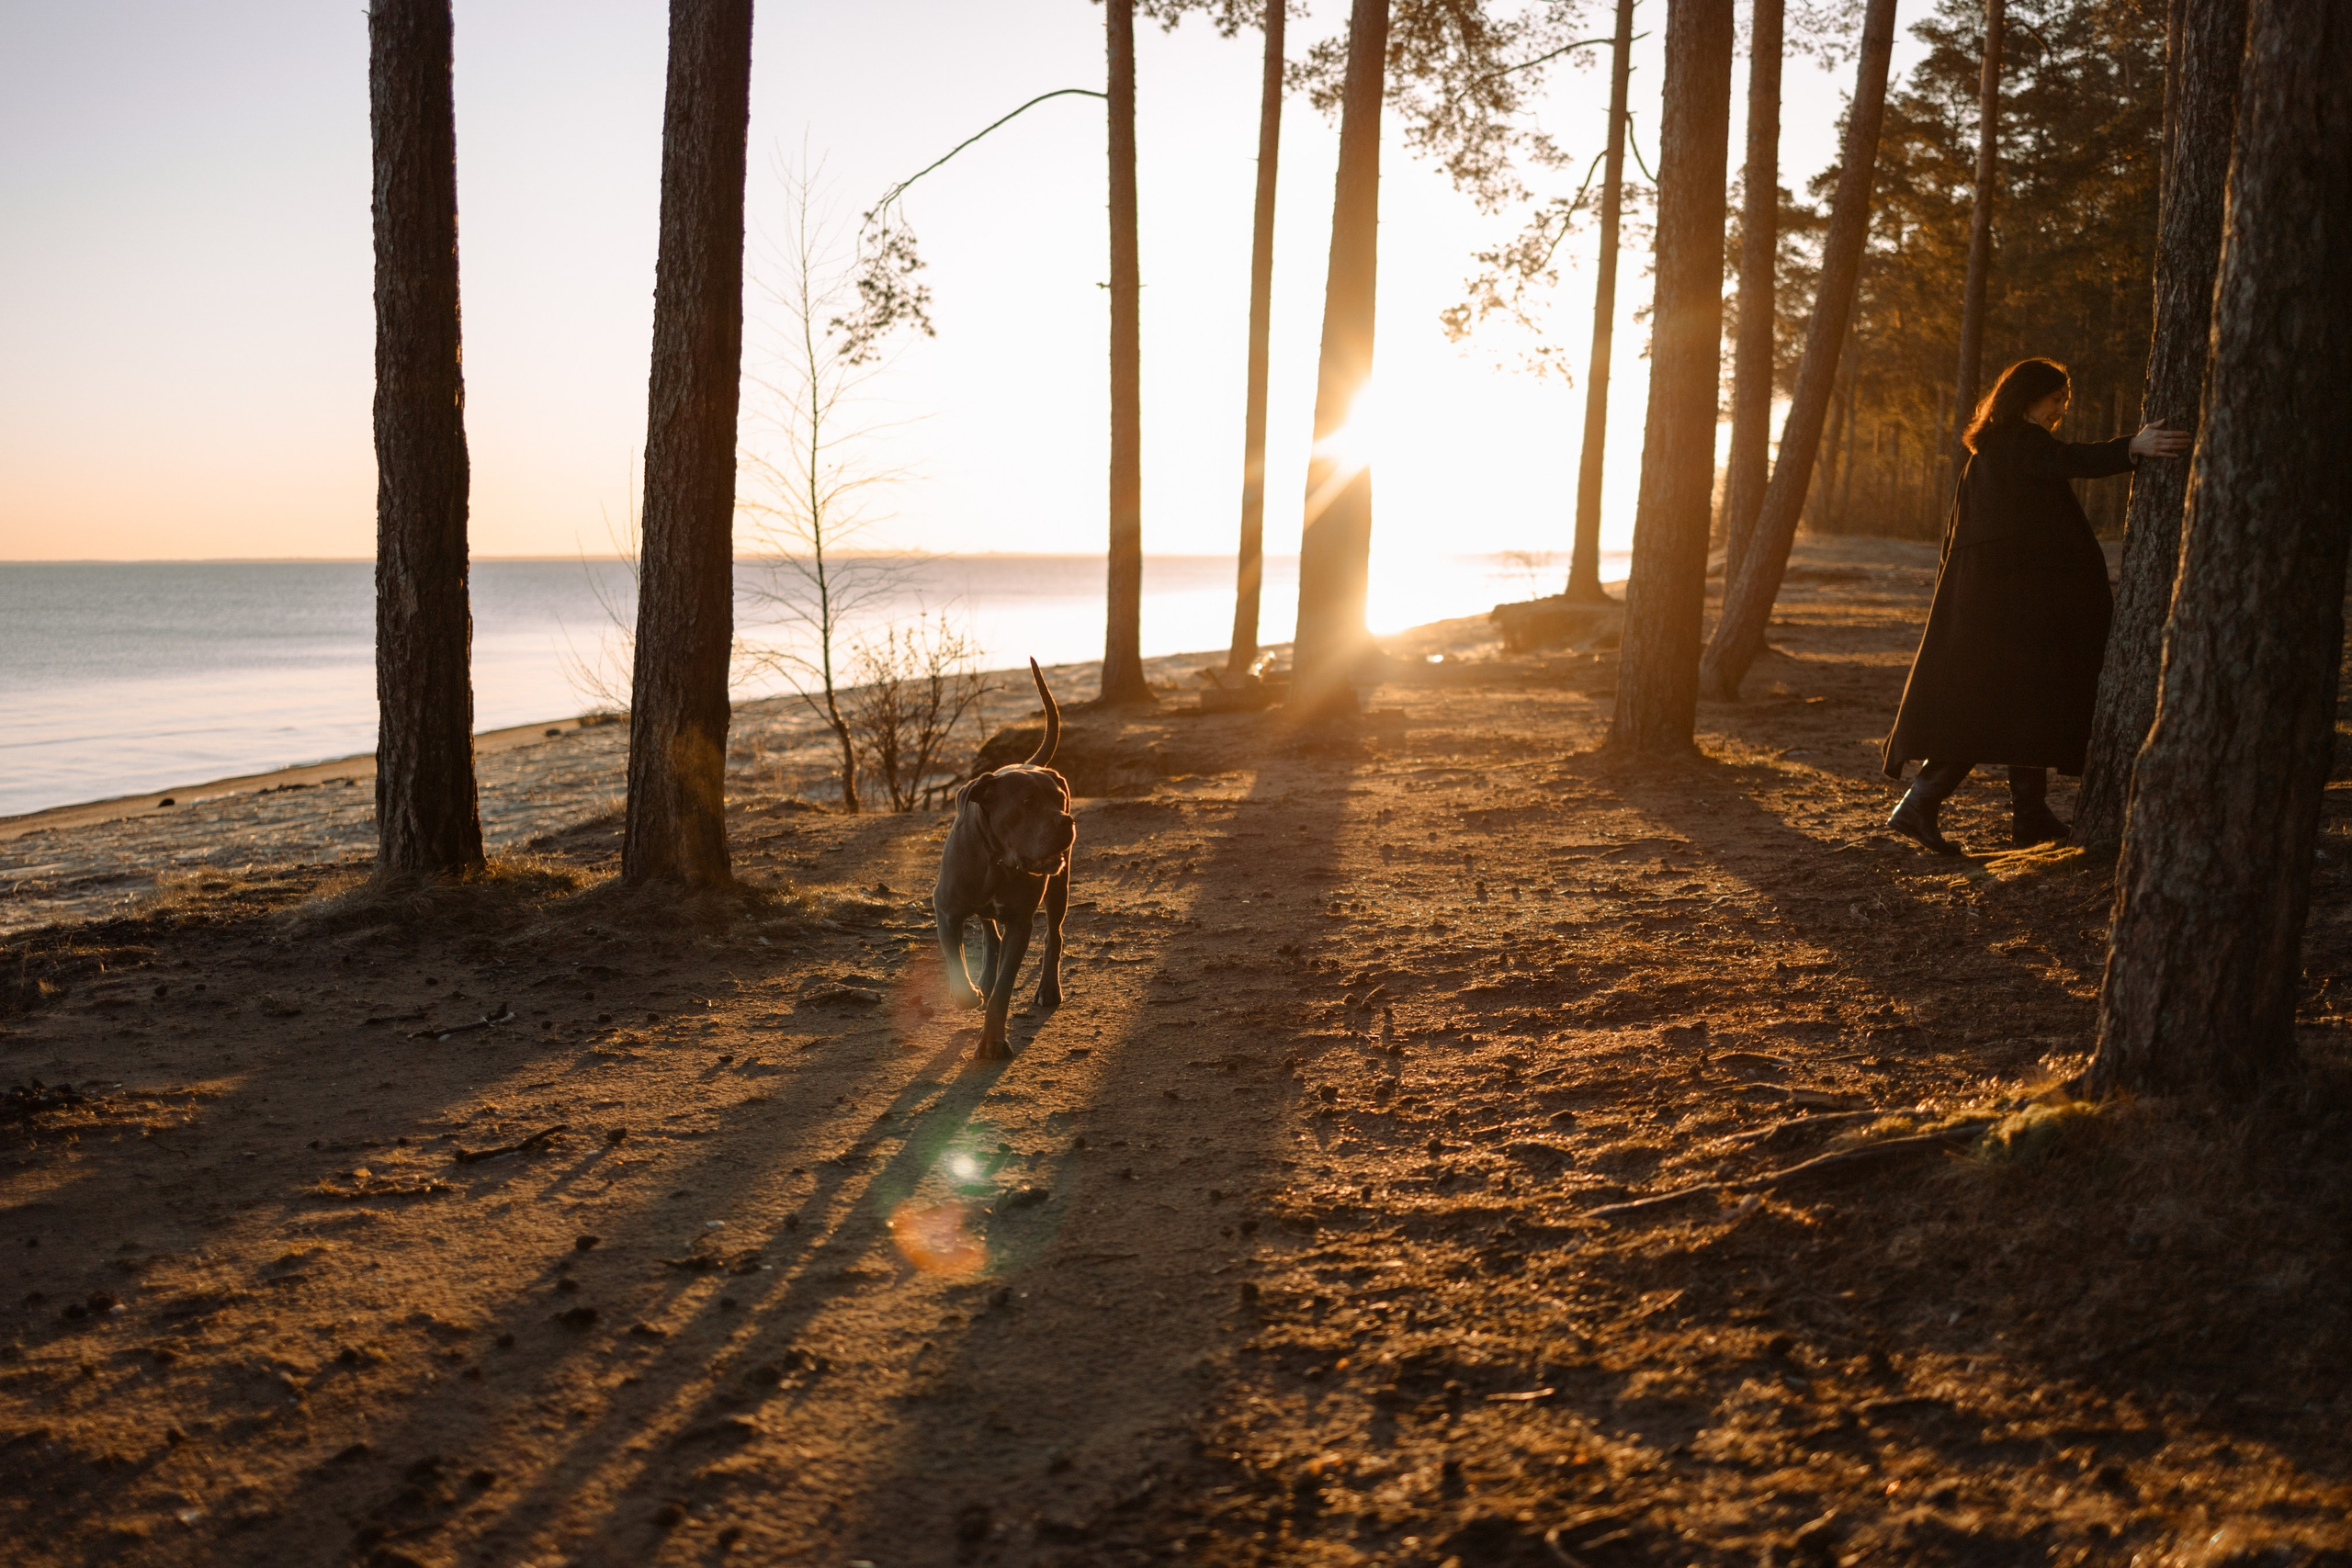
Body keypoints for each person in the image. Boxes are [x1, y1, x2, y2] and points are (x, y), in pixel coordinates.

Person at [1882, 358, 2191, 853]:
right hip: (2005, 602)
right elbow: (2065, 460)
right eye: (2055, 399)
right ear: (2027, 397)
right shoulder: (2017, 441)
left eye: (2065, 402)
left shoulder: (1991, 449)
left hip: (1999, 599)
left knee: (2019, 701)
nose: (2060, 410)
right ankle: (1919, 804)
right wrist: (2131, 447)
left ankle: (2030, 816)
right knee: (1990, 702)